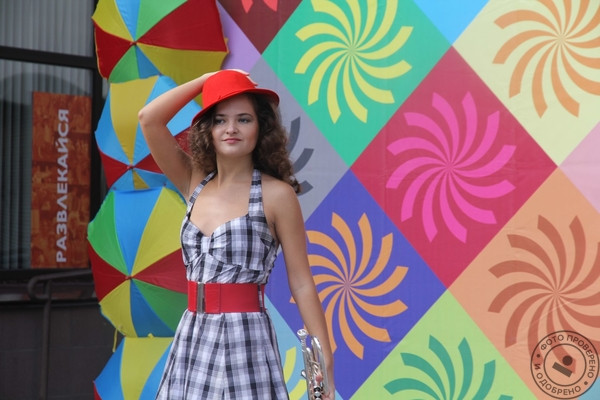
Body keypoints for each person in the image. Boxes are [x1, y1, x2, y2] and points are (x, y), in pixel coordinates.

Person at [138, 69, 335, 399]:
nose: (231, 129)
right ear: (209, 130)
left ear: (261, 129)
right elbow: (149, 119)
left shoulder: (277, 195)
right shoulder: (193, 181)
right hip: (192, 335)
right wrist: (206, 80)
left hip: (246, 337)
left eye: (244, 119)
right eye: (220, 120)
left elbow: (301, 282)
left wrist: (323, 357)